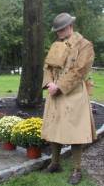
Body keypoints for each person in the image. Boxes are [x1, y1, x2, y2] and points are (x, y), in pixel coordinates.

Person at [41, 13, 97, 185]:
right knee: (54, 129)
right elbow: (47, 66)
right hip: (55, 93)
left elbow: (79, 71)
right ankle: (55, 163)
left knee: (75, 133)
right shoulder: (56, 45)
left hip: (73, 94)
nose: (58, 33)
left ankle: (76, 169)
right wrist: (49, 83)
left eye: (61, 29)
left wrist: (59, 86)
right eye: (57, 30)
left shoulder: (85, 45)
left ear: (70, 26)